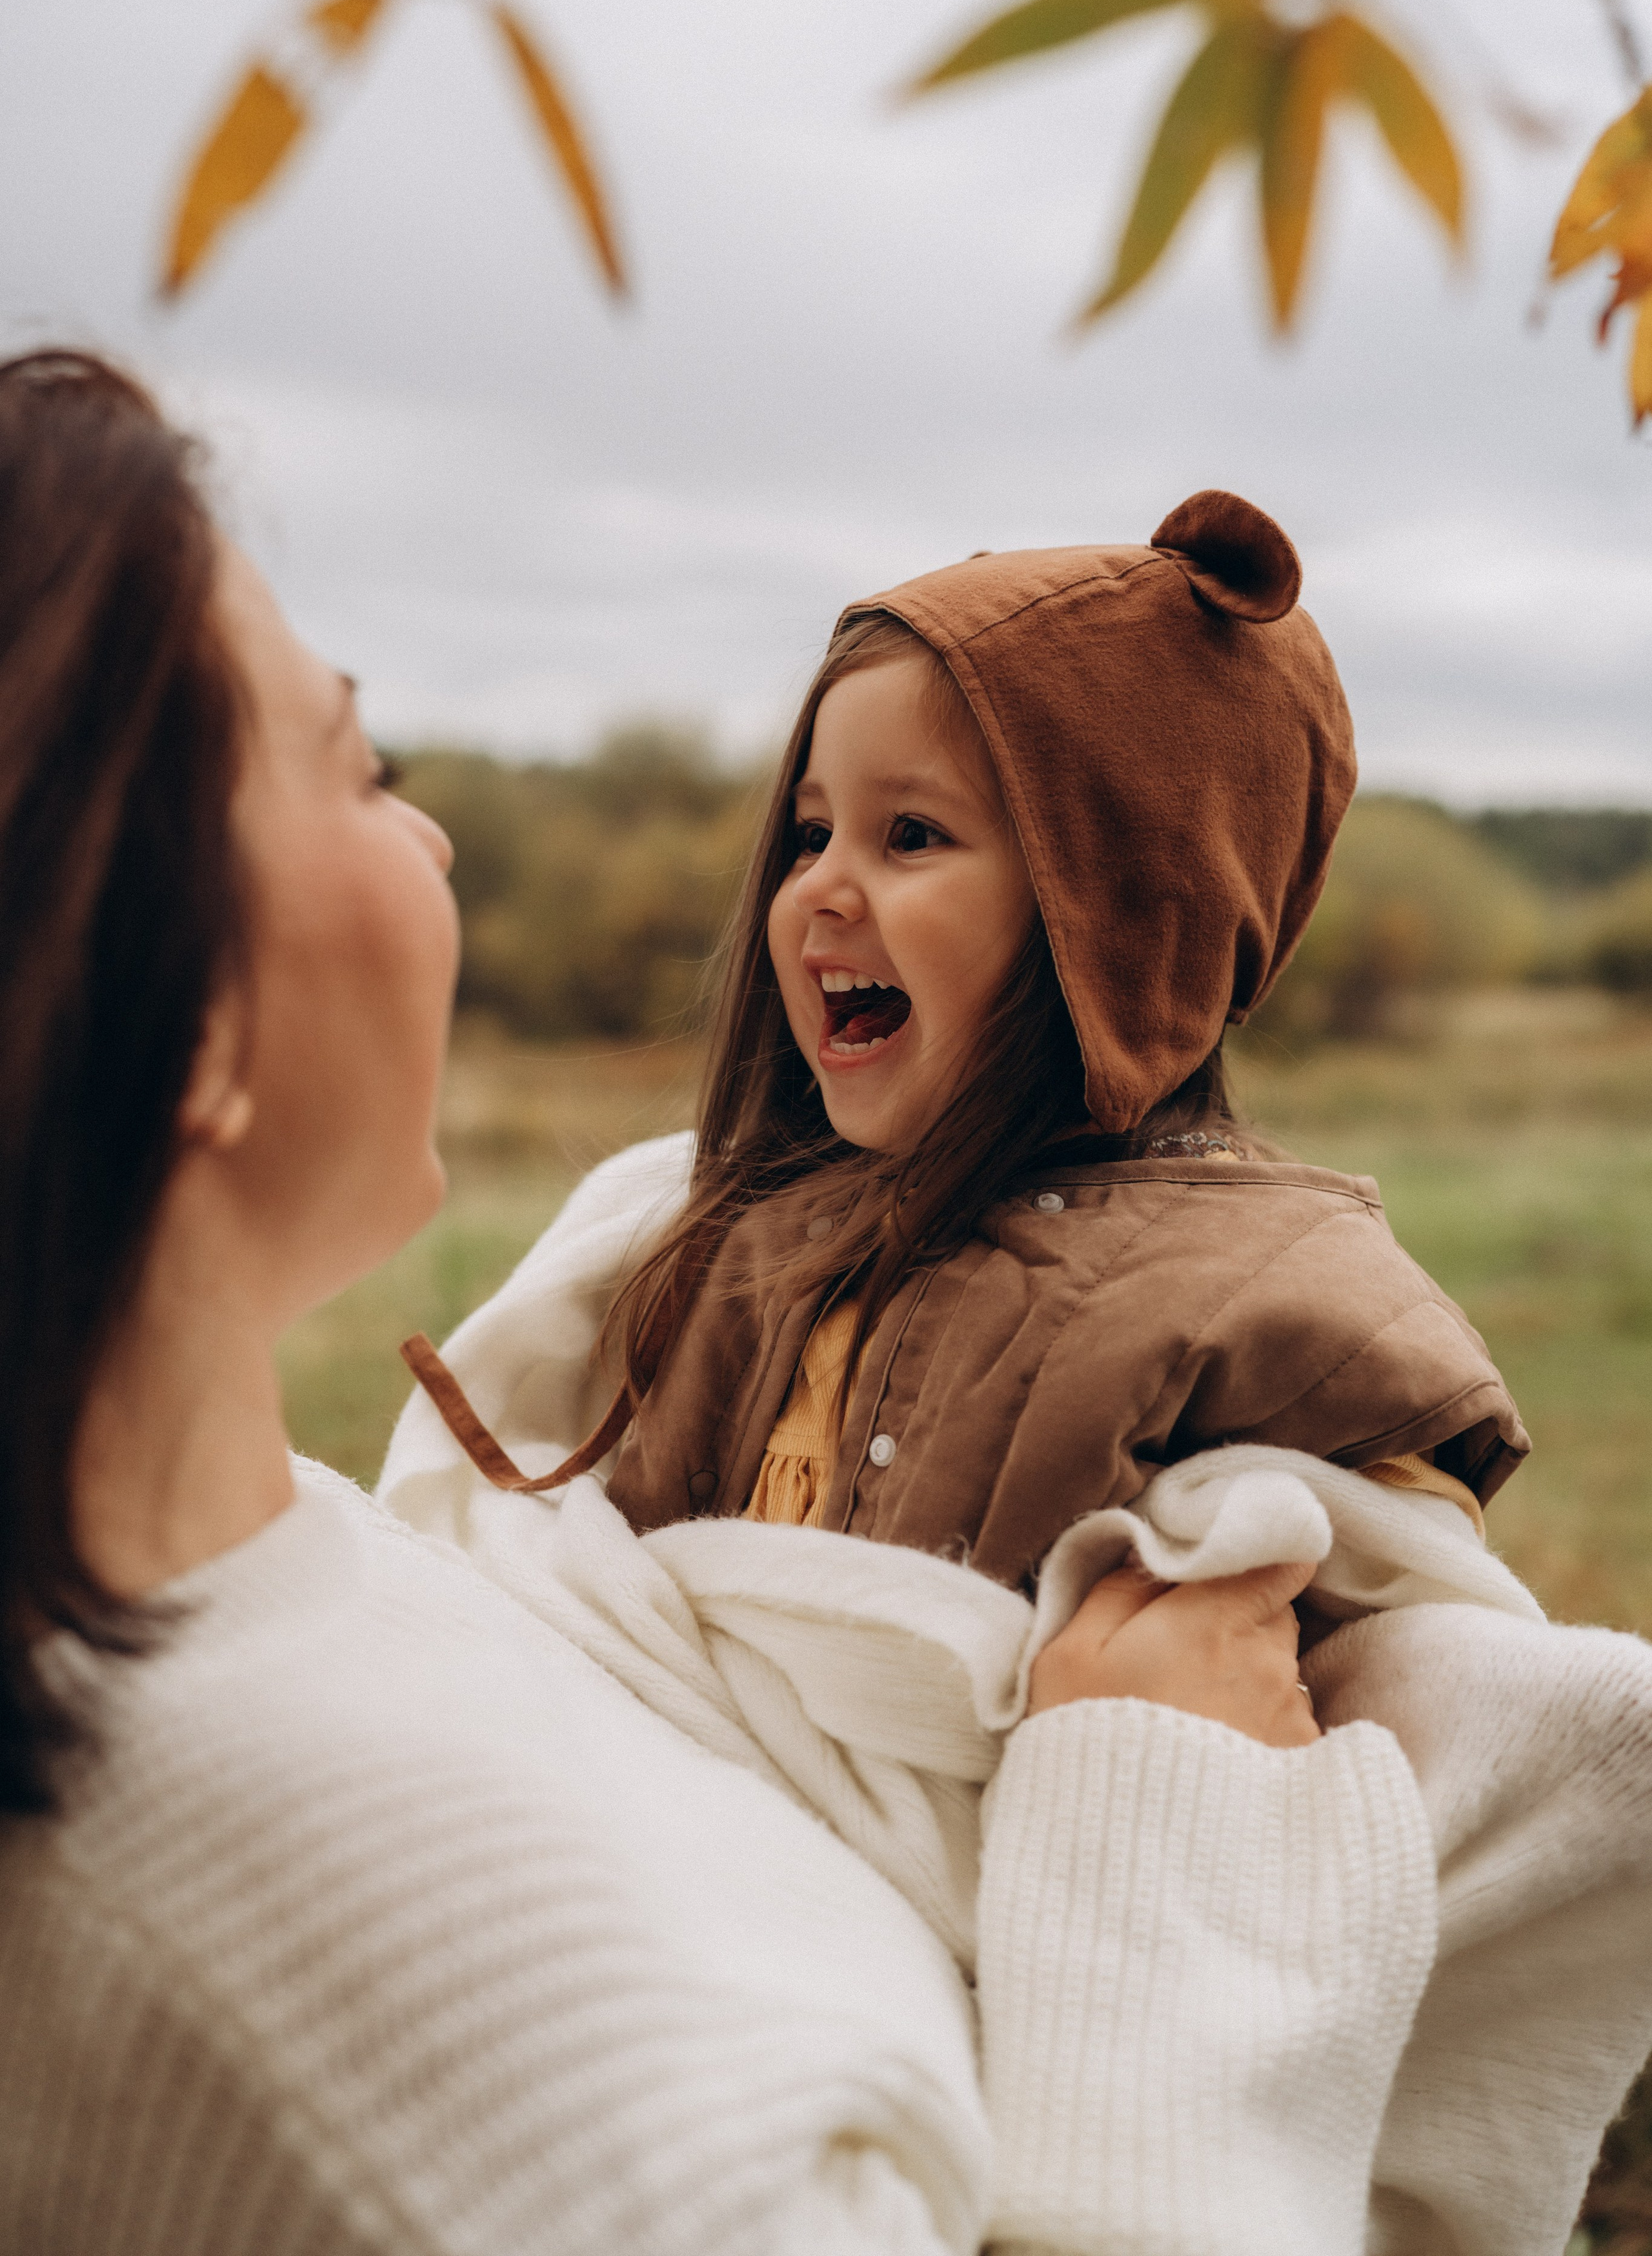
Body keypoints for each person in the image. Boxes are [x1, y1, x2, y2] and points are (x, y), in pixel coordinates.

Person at [0, 349, 1447, 2256]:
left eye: (913, 836)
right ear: (185, 1016)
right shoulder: (476, 2123)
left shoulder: (245, 1573)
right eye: (360, 766)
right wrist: (1163, 1893)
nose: (430, 835)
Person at [383, 493, 1652, 2255]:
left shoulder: (1264, 1284)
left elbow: (1387, 1621)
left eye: (913, 836)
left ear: (1119, 912)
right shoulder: (737, 1243)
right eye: (812, 829)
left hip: (1055, 1989)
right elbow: (609, 1603)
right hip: (707, 1970)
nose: (823, 885)